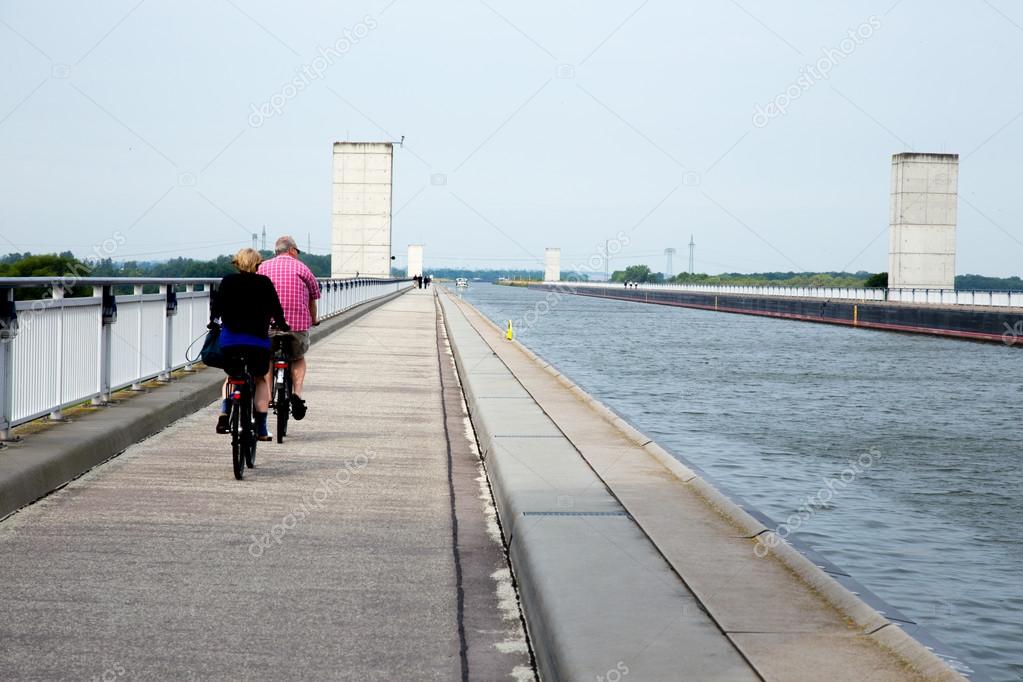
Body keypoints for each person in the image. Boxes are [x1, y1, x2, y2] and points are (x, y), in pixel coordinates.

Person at [210, 248, 289, 440]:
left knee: (231, 377)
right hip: (257, 342)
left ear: (237, 263)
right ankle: (261, 428)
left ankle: (224, 414)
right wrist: (283, 325)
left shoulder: (228, 281)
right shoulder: (264, 283)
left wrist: (213, 321)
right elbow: (276, 310)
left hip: (231, 341)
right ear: (257, 264)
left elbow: (217, 308)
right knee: (260, 378)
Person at [258, 235, 320, 420]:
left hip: (267, 325)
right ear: (292, 250)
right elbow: (313, 298)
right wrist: (313, 319)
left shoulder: (263, 267)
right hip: (296, 326)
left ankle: (268, 395)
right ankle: (297, 394)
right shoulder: (302, 268)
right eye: (297, 252)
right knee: (299, 357)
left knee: (268, 357)